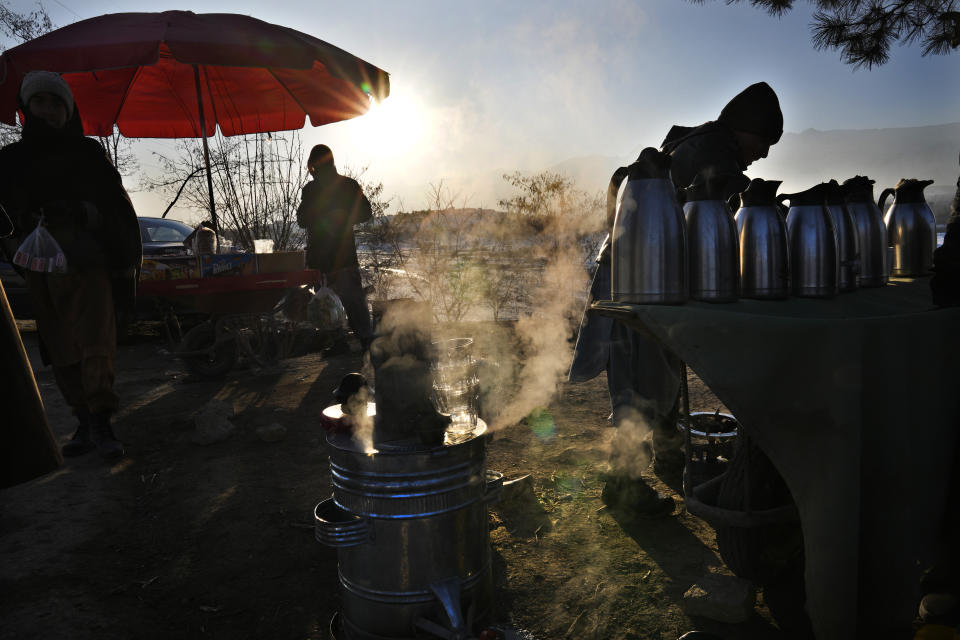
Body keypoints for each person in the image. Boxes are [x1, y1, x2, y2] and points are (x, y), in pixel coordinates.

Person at [569, 81, 783, 516]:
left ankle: (668, 454)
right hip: (644, 277)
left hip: (642, 271)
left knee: (656, 371)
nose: (763, 153)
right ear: (745, 129)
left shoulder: (699, 140)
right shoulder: (714, 153)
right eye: (763, 142)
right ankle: (622, 484)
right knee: (641, 380)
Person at [0, 71, 142, 460]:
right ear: (27, 109)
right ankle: (82, 418)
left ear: (69, 110)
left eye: (57, 103)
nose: (49, 110)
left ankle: (102, 418)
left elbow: (117, 210)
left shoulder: (89, 155)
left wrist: (82, 211)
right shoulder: (10, 162)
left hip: (87, 264)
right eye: (40, 102)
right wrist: (20, 223)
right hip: (40, 268)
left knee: (96, 341)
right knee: (60, 345)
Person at [296, 144, 373, 349]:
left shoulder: (347, 186)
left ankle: (365, 342)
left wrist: (342, 216)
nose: (314, 171)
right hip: (324, 260)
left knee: (350, 303)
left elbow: (365, 212)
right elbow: (302, 220)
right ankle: (346, 342)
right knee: (328, 306)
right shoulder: (312, 190)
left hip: (340, 258)